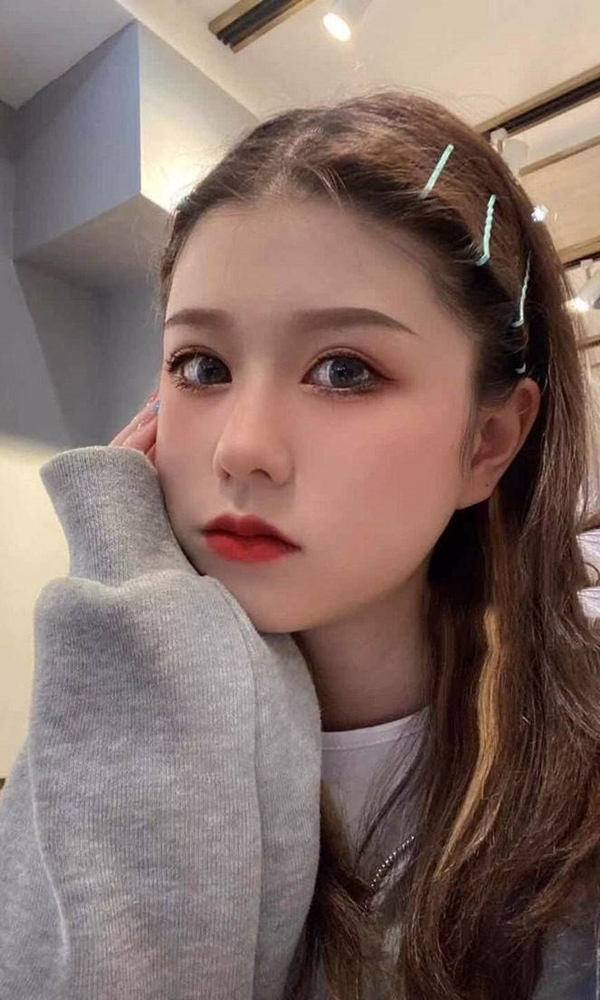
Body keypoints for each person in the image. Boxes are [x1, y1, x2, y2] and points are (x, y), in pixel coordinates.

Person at [1, 90, 600, 1000]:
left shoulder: (577, 796)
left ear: (488, 442)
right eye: (201, 366)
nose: (241, 448)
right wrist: (130, 629)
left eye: (344, 370)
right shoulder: (92, 725)